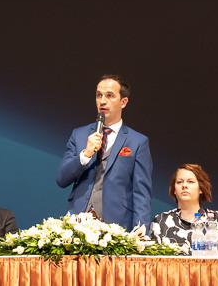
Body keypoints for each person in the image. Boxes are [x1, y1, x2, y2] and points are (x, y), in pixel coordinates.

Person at [56, 73, 153, 233]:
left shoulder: (137, 142)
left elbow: (142, 194)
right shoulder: (79, 135)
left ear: (123, 102)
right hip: (77, 225)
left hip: (117, 227)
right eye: (99, 95)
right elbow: (61, 179)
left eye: (109, 96)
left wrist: (140, 233)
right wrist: (86, 154)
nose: (102, 101)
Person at [151, 163, 218, 255]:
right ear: (174, 190)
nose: (184, 185)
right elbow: (151, 260)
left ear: (201, 188)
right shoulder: (161, 221)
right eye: (179, 182)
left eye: (190, 181)